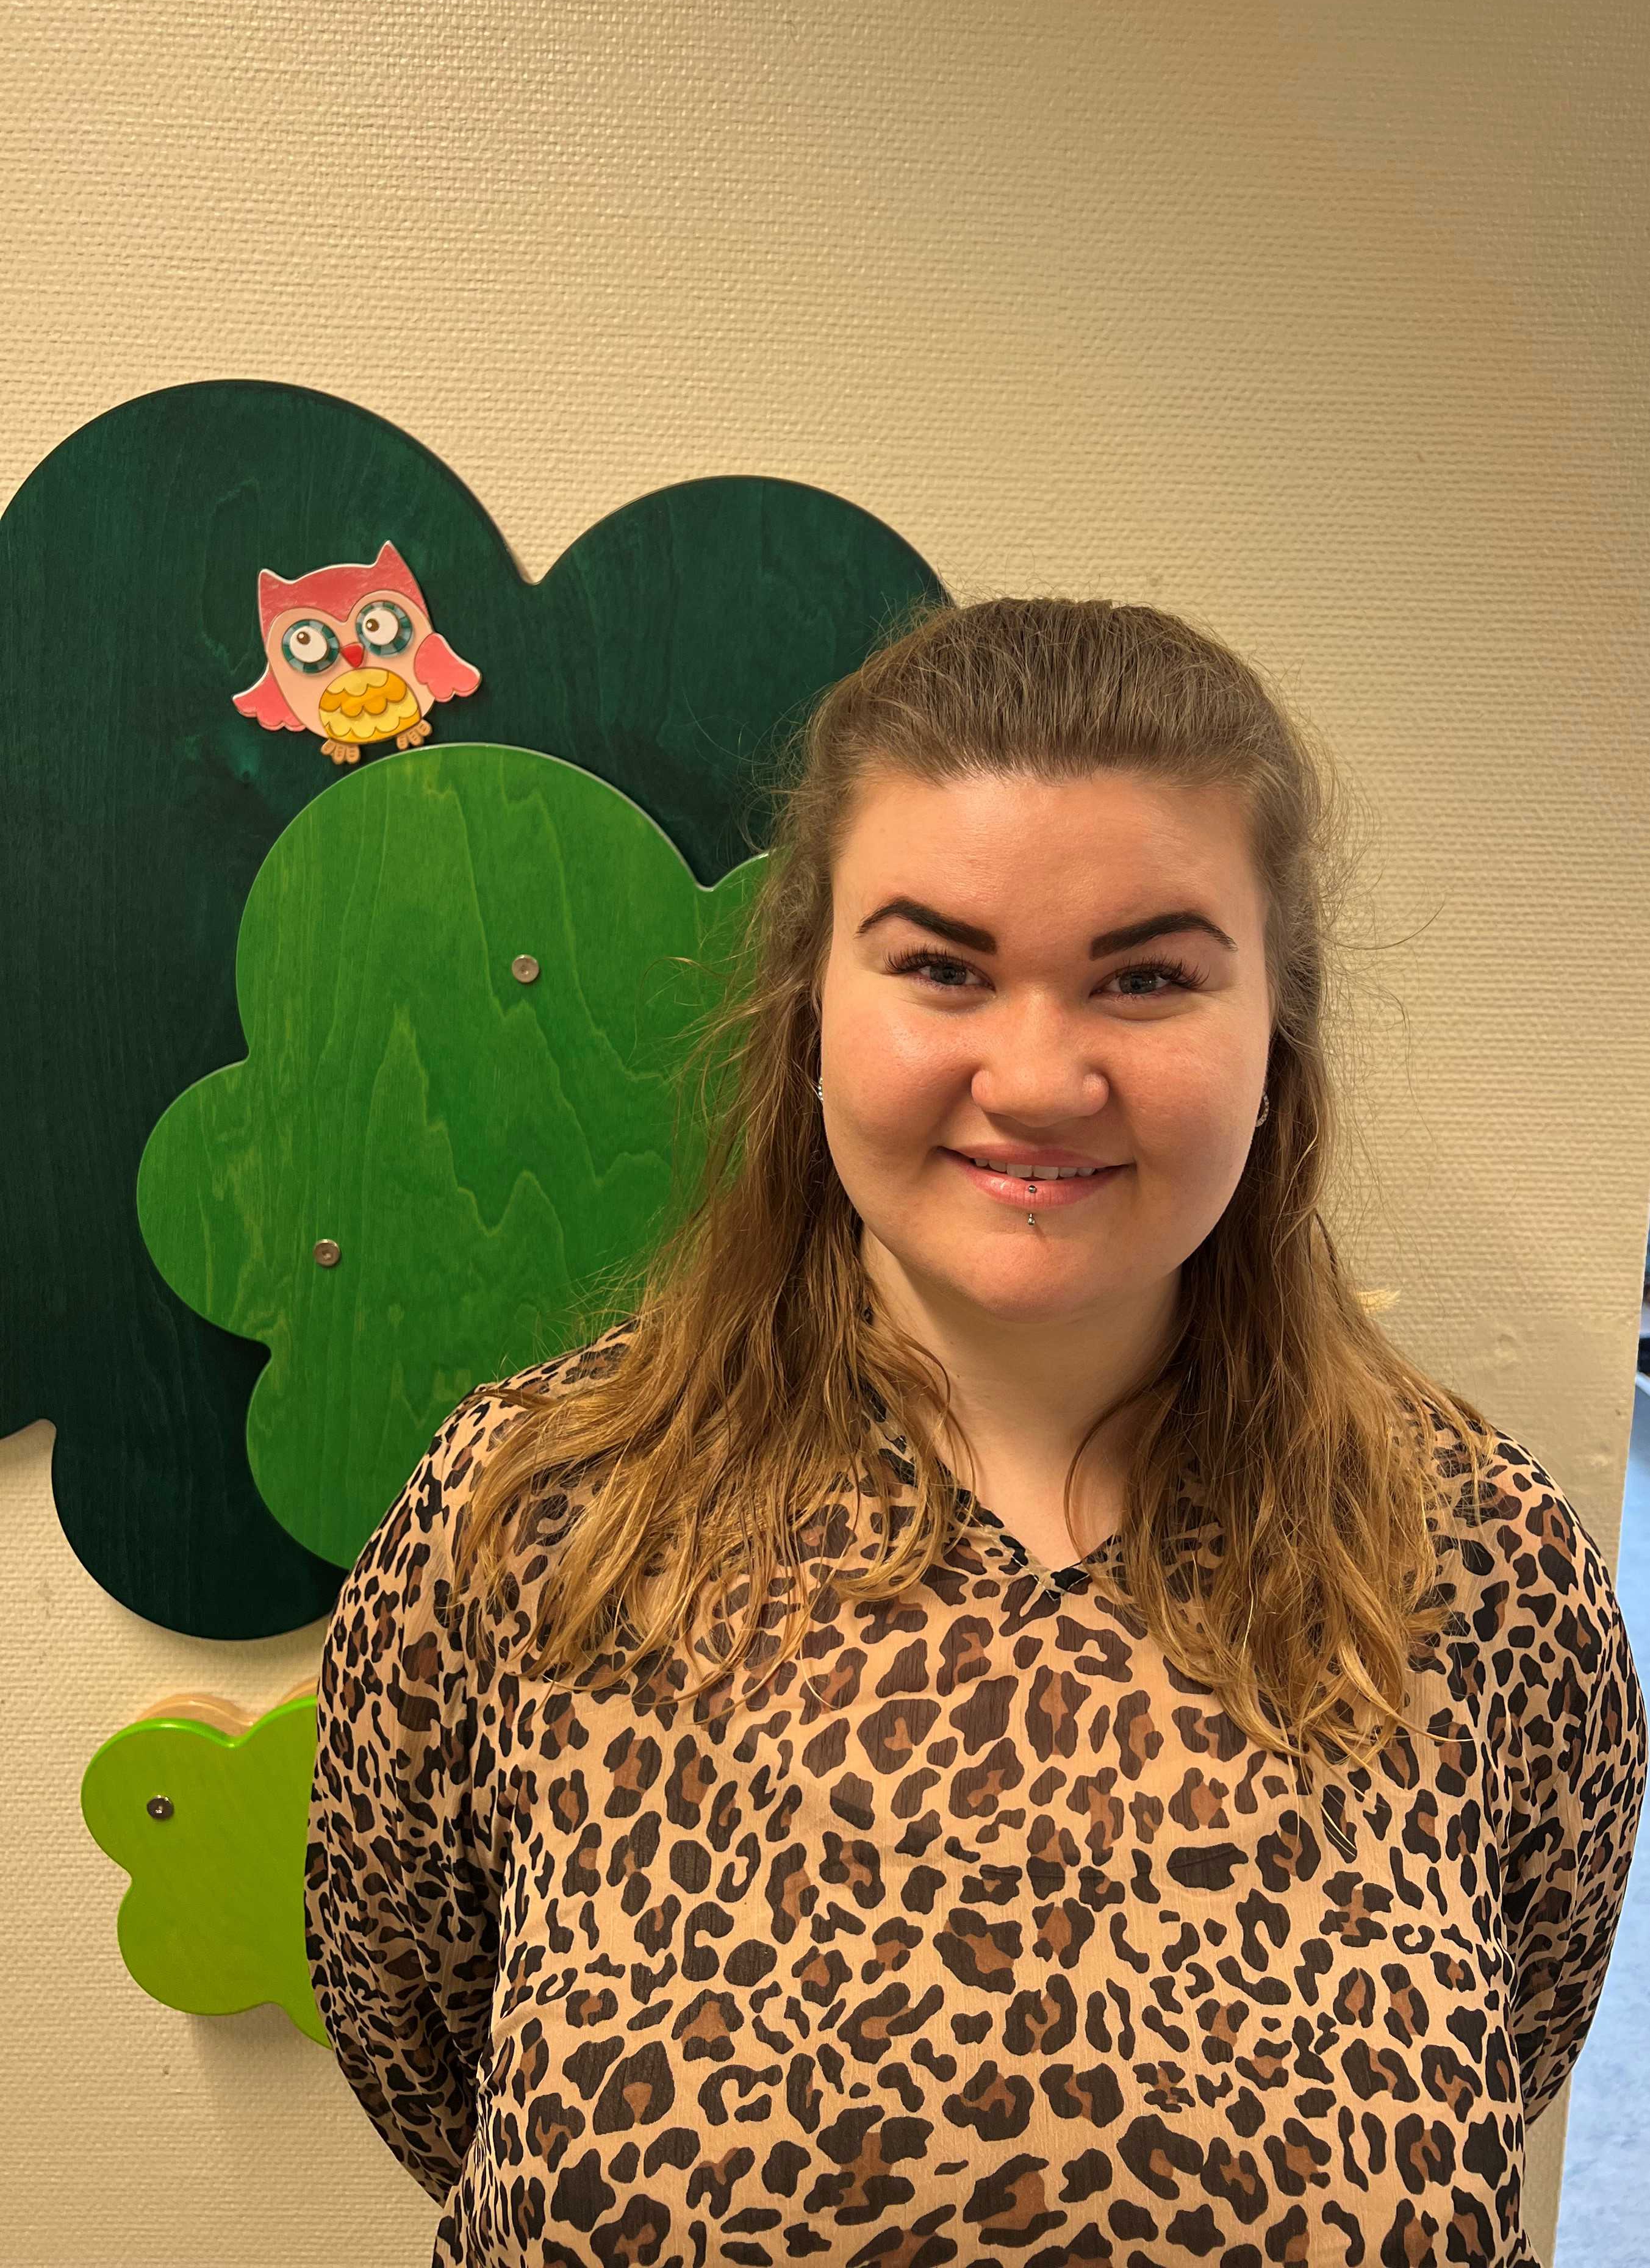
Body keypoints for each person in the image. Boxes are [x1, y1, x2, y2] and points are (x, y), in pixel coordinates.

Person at [305, 596, 1646, 2266]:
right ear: (807, 1002)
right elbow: (422, 2057)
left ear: (1275, 1029)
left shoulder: (1479, 1562)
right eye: (942, 968)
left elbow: (1521, 2042)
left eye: (1145, 979)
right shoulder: (534, 1517)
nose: (1035, 1079)